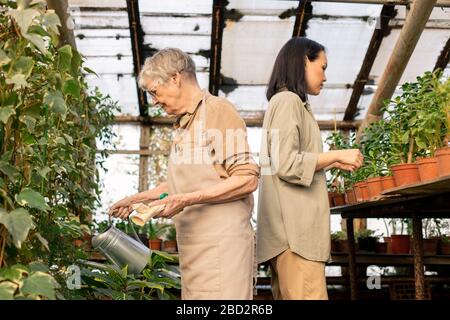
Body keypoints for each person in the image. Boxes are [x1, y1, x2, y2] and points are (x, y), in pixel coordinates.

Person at [109, 48, 259, 300]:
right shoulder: (183, 124)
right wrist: (136, 199)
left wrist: (185, 200)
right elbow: (177, 185)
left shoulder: (217, 111)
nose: (154, 101)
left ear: (176, 78)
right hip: (194, 248)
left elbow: (247, 178)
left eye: (154, 92)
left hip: (221, 248)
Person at [256, 37, 364, 300]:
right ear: (304, 60)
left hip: (290, 239)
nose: (325, 76)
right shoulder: (288, 101)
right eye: (323, 67)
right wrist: (336, 154)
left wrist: (329, 160)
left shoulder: (287, 103)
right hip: (295, 239)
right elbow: (288, 164)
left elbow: (287, 160)